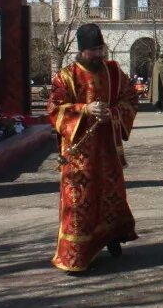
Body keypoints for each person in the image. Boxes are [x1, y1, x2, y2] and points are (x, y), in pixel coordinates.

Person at [47, 23, 138, 273]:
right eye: (94, 50)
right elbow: (54, 108)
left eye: (101, 48)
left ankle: (112, 238)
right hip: (79, 154)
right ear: (82, 50)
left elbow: (130, 98)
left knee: (111, 196)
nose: (99, 54)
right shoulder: (66, 76)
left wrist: (115, 113)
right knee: (80, 201)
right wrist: (84, 109)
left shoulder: (114, 72)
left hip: (108, 149)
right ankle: (76, 255)